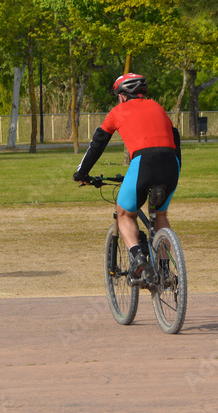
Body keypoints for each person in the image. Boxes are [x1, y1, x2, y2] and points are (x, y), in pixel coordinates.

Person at [73, 73, 181, 282]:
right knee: (160, 215)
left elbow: (98, 143)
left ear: (122, 96)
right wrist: (176, 168)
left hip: (143, 164)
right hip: (171, 165)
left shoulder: (117, 111)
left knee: (124, 214)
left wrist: (82, 173)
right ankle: (165, 270)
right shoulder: (158, 108)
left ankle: (137, 258)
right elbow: (175, 137)